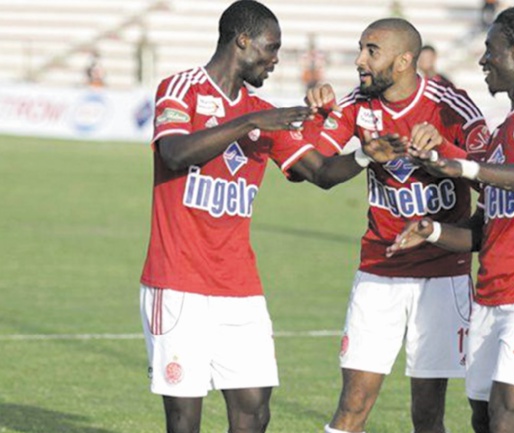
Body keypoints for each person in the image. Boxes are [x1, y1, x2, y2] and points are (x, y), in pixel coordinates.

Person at [138, 2, 404, 433]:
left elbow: (320, 172)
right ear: (242, 41)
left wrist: (363, 155)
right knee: (184, 419)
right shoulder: (181, 88)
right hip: (178, 282)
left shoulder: (264, 113)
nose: (276, 58)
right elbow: (174, 153)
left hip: (239, 286)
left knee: (255, 408)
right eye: (271, 47)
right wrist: (249, 122)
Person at [387, 5, 514, 433]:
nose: (483, 59)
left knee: (506, 416)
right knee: (483, 418)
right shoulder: (502, 134)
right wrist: (433, 231)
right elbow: (486, 230)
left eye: (490, 49)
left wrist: (465, 168)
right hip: (491, 293)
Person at [304, 17, 490, 433]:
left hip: (443, 276)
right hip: (379, 271)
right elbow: (316, 169)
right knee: (352, 406)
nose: (359, 60)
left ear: (404, 60)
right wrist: (355, 150)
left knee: (427, 416)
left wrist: (444, 152)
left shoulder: (450, 105)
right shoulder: (357, 105)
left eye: (371, 51)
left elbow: (488, 174)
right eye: (360, 49)